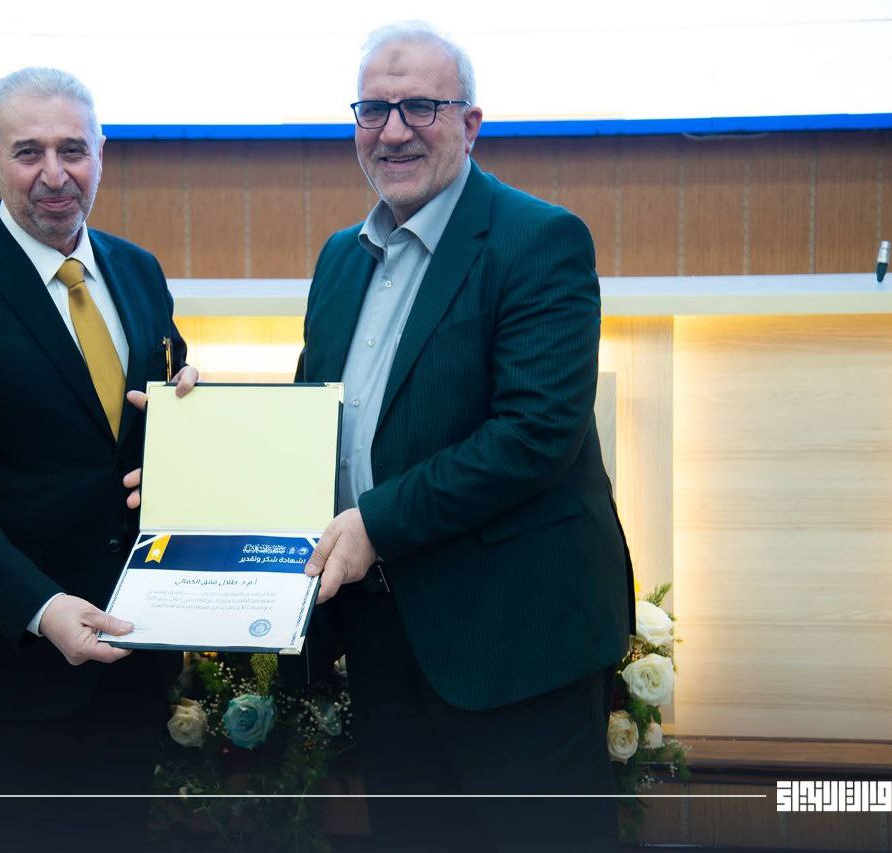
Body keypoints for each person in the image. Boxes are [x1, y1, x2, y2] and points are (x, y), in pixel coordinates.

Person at [295, 22, 635, 851]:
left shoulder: (538, 239)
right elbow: (315, 423)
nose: (394, 130)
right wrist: (200, 447)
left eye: (421, 106)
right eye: (373, 109)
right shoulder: (341, 257)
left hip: (514, 643)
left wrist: (375, 523)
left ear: (471, 122)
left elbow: (534, 433)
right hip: (384, 640)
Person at [0, 67, 196, 851]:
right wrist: (42, 607)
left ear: (101, 154)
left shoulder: (139, 271)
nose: (55, 174)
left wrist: (192, 418)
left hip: (130, 657)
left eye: (73, 150)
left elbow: (150, 418)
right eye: (29, 152)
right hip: (4, 669)